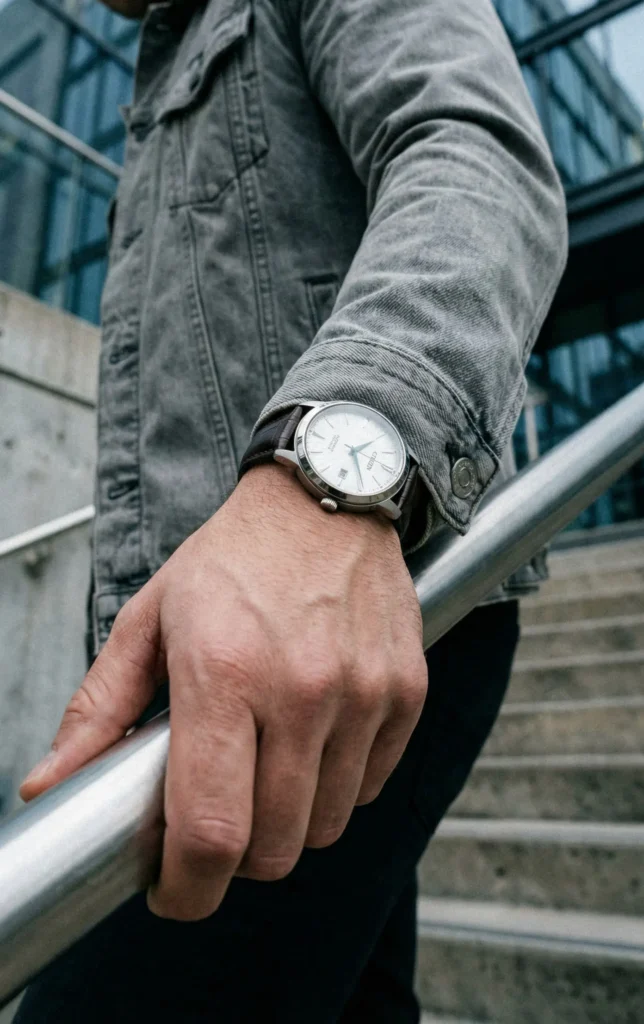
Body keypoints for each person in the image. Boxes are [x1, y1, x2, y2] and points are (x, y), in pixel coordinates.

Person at [15, 0, 567, 1019]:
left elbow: (473, 156)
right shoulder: (157, 89)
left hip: (361, 602)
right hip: (232, 643)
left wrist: (328, 483)